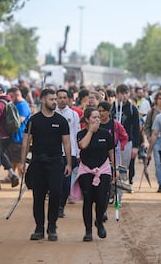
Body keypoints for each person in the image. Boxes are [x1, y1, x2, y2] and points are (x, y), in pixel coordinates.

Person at [19, 89, 72, 241]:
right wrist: (23, 162)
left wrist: (68, 163)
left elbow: (66, 143)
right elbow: (25, 142)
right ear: (43, 100)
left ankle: (52, 226)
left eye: (56, 99)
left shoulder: (61, 121)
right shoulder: (33, 120)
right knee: (38, 197)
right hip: (38, 163)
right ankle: (39, 228)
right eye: (51, 99)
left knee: (56, 193)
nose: (55, 102)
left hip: (56, 162)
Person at [71, 107, 114, 242]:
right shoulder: (81, 133)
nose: (97, 120)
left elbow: (111, 151)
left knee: (101, 199)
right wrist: (90, 131)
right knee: (88, 200)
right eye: (94, 117)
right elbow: (83, 145)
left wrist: (115, 169)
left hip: (103, 169)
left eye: (98, 117)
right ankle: (88, 231)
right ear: (87, 120)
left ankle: (99, 222)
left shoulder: (106, 134)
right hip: (86, 170)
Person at [0, 83, 19, 189]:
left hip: (0, 135)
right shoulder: (8, 101)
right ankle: (11, 174)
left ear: (0, 91)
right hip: (8, 135)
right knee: (1, 155)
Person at [55, 89, 80, 218]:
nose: (62, 100)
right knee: (55, 182)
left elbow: (76, 134)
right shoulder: (52, 114)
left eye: (65, 97)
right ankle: (55, 204)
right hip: (54, 153)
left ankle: (61, 206)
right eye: (60, 97)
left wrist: (78, 153)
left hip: (69, 153)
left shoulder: (74, 115)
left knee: (66, 182)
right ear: (56, 99)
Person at [111, 84, 140, 186]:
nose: (123, 96)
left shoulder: (132, 109)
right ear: (117, 94)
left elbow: (137, 128)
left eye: (125, 93)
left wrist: (136, 146)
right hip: (112, 142)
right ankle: (112, 190)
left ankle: (120, 190)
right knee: (112, 166)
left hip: (127, 142)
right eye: (120, 93)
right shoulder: (112, 108)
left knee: (123, 167)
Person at [3, 87, 31, 182]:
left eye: (11, 96)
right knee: (13, 159)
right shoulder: (17, 104)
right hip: (15, 138)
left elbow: (20, 120)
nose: (9, 99)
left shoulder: (22, 105)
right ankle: (11, 176)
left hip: (20, 138)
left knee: (19, 161)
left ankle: (24, 179)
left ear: (17, 95)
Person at [143, 91, 161, 192]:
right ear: (156, 100)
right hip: (156, 140)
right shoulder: (152, 111)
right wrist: (149, 137)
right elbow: (146, 126)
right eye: (159, 98)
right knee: (158, 162)